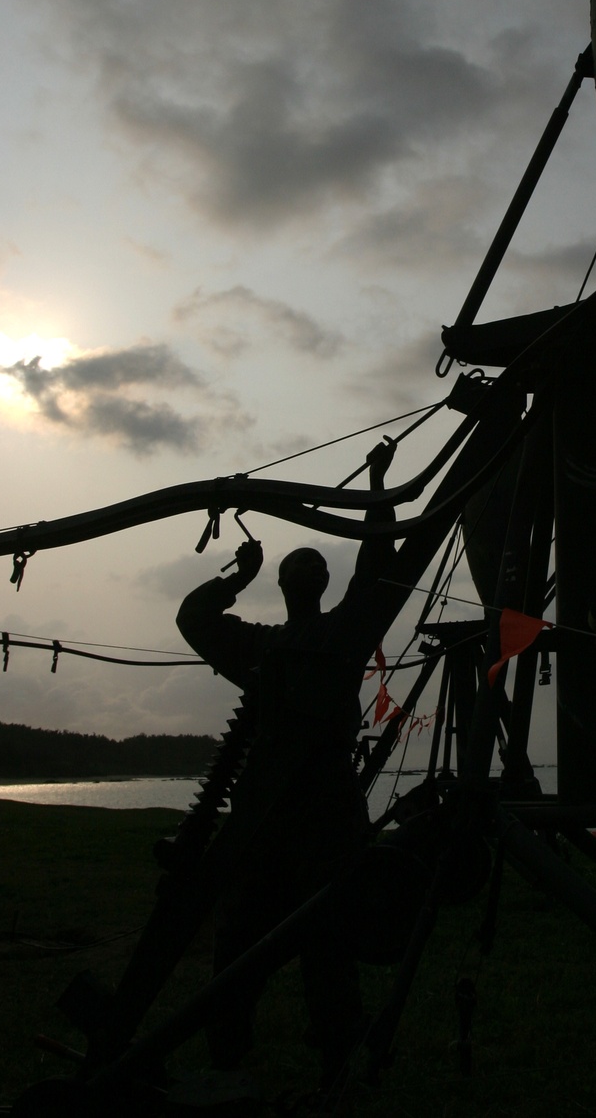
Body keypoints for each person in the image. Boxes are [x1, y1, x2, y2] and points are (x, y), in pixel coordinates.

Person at [175, 437, 398, 1089]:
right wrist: (380, 482)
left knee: (242, 939)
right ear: (322, 587)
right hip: (325, 818)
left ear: (284, 587)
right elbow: (379, 565)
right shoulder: (345, 634)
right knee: (325, 943)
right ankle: (330, 1051)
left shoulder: (258, 648)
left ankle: (229, 1046)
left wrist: (234, 577)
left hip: (268, 819)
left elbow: (193, 616)